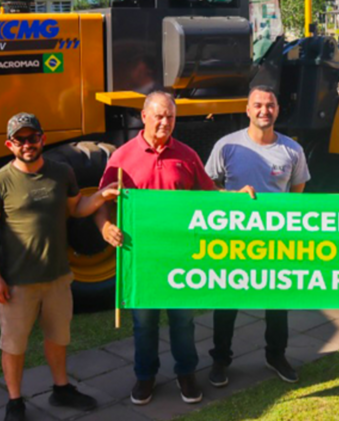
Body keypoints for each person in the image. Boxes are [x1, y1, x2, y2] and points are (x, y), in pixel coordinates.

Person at [96, 91, 253, 406]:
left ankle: (186, 373)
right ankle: (145, 376)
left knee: (183, 320)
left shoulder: (186, 154)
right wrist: (105, 227)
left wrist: (235, 197)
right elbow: (101, 199)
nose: (165, 122)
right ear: (144, 116)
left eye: (170, 117)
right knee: (144, 323)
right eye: (159, 116)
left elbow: (208, 195)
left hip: (180, 256)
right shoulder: (122, 157)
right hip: (142, 258)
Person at [0, 113, 119, 421]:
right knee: (14, 345)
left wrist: (100, 196)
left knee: (58, 337)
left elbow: (76, 208)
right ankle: (15, 401)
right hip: (17, 282)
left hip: (58, 277)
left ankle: (62, 389)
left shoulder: (62, 172)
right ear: (9, 145)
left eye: (32, 138)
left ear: (42, 139)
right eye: (20, 140)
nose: (27, 144)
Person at [205, 85, 311, 388]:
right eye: (258, 105)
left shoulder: (292, 150)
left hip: (275, 240)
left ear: (277, 110)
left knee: (276, 301)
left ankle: (276, 355)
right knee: (227, 301)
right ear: (248, 110)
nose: (264, 110)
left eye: (270, 105)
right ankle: (220, 360)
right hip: (234, 238)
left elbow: (297, 192)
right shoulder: (227, 146)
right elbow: (207, 188)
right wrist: (231, 196)